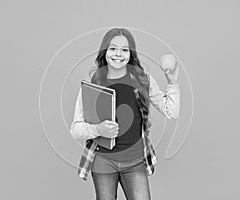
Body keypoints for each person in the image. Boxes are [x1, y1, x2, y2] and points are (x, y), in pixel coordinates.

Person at [70, 27, 180, 200]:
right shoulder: (94, 83)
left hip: (135, 162)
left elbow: (171, 112)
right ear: (105, 51)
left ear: (131, 54)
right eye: (113, 48)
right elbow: (76, 128)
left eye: (124, 49)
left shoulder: (143, 80)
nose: (118, 54)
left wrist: (172, 83)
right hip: (103, 162)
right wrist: (98, 130)